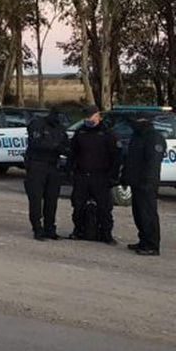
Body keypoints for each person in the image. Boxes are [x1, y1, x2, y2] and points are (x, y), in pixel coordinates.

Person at [67, 105, 121, 244]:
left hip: (101, 177)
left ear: (98, 116)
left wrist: (112, 176)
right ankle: (78, 230)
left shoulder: (107, 133)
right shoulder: (80, 132)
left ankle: (106, 234)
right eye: (86, 116)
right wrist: (69, 171)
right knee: (78, 206)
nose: (87, 119)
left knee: (104, 208)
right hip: (82, 175)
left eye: (90, 116)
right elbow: (72, 153)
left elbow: (115, 157)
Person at [25, 108, 69, 240]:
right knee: (36, 199)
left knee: (52, 199)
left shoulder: (60, 128)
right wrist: (56, 146)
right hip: (37, 165)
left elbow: (65, 145)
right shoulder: (37, 125)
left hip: (53, 166)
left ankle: (50, 228)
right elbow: (36, 143)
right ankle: (37, 228)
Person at [123, 113, 163, 256]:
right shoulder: (137, 136)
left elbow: (153, 163)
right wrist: (125, 177)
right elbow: (131, 159)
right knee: (139, 213)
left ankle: (152, 244)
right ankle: (143, 240)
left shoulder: (153, 137)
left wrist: (149, 181)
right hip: (136, 181)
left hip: (147, 183)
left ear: (144, 121)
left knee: (148, 214)